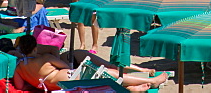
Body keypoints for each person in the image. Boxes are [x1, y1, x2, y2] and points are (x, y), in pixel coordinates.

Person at [13, 31, 166, 91]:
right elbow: (65, 66)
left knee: (105, 76)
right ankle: (152, 82)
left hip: (51, 86)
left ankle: (133, 88)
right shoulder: (45, 59)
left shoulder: (19, 67)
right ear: (35, 48)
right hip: (68, 79)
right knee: (109, 72)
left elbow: (21, 86)